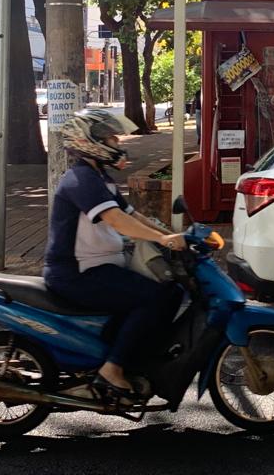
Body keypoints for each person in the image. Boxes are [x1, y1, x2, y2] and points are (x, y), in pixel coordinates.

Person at [43, 109, 186, 400]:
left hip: (100, 267)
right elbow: (117, 220)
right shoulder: (80, 179)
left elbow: (132, 215)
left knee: (171, 292)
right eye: (110, 137)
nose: (117, 142)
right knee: (153, 297)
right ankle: (112, 369)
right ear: (89, 141)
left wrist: (172, 235)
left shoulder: (100, 178)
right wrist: (163, 239)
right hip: (77, 273)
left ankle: (133, 357)